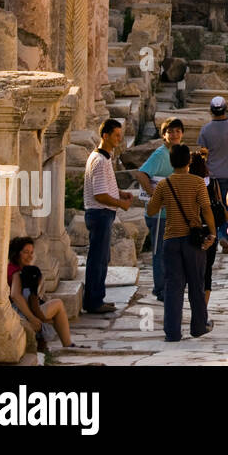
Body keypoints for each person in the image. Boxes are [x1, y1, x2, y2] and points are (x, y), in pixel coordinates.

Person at [145, 143, 216, 342]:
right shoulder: (197, 182)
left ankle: (172, 331)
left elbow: (151, 210)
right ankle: (199, 326)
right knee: (196, 284)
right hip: (193, 240)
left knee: (173, 287)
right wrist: (212, 233)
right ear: (189, 161)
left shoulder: (164, 184)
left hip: (171, 239)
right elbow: (206, 209)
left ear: (171, 161)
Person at [132, 118, 186, 301]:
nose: (175, 134)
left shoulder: (178, 152)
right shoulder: (161, 154)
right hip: (159, 214)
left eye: (178, 131)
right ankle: (160, 288)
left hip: (172, 213)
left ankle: (168, 285)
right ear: (164, 135)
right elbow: (141, 174)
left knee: (170, 251)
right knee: (160, 251)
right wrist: (155, 196)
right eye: (171, 131)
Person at [83, 119, 133, 314]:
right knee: (98, 260)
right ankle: (94, 302)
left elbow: (105, 187)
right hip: (100, 213)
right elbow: (99, 195)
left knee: (101, 258)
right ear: (106, 135)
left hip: (102, 214)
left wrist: (120, 193)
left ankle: (97, 298)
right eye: (116, 135)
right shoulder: (99, 160)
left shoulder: (104, 158)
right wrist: (122, 204)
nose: (119, 139)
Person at [8, 237, 79, 350]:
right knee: (58, 304)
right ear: (17, 254)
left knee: (48, 306)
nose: (30, 256)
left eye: (31, 252)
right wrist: (32, 318)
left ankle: (55, 343)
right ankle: (68, 344)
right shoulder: (16, 272)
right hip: (18, 313)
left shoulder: (21, 269)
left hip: (22, 309)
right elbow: (15, 295)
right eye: (26, 252)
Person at [198, 95, 228, 252]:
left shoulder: (205, 129)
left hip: (213, 175)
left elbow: (202, 152)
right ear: (226, 109)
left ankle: (221, 235)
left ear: (211, 110)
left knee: (216, 207)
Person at [188, 150, 226, 305]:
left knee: (193, 271)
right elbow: (218, 203)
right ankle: (203, 306)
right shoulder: (212, 182)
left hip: (192, 229)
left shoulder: (187, 183)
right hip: (210, 230)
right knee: (207, 270)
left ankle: (195, 304)